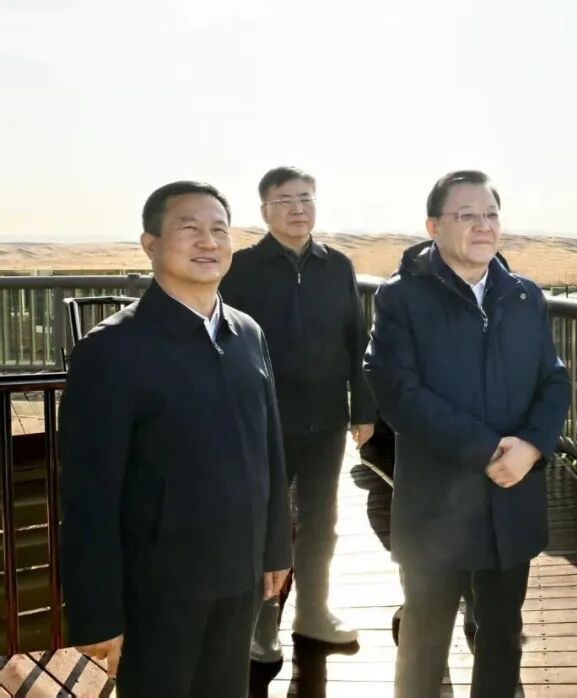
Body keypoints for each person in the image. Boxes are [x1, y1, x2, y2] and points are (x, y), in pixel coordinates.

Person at [59, 181, 292, 696]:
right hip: (157, 591)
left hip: (240, 578)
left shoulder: (248, 334)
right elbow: (88, 495)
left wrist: (276, 547)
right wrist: (97, 613)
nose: (208, 242)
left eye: (219, 230)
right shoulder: (112, 351)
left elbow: (269, 451)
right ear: (151, 244)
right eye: (189, 228)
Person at [363, 170, 570, 698]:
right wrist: (487, 449)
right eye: (467, 215)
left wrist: (532, 445)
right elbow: (398, 393)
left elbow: (553, 379)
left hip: (512, 498)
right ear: (433, 226)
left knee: (501, 638)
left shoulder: (524, 295)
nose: (484, 226)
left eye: (491, 214)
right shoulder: (400, 298)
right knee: (424, 643)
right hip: (437, 505)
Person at [219, 166, 377, 660]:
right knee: (266, 526)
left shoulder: (338, 266)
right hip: (262, 421)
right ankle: (260, 626)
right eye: (284, 200)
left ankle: (313, 614)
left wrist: (363, 409)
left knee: (321, 522)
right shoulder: (240, 268)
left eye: (305, 198)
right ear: (264, 210)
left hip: (326, 418)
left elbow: (357, 340)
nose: (297, 209)